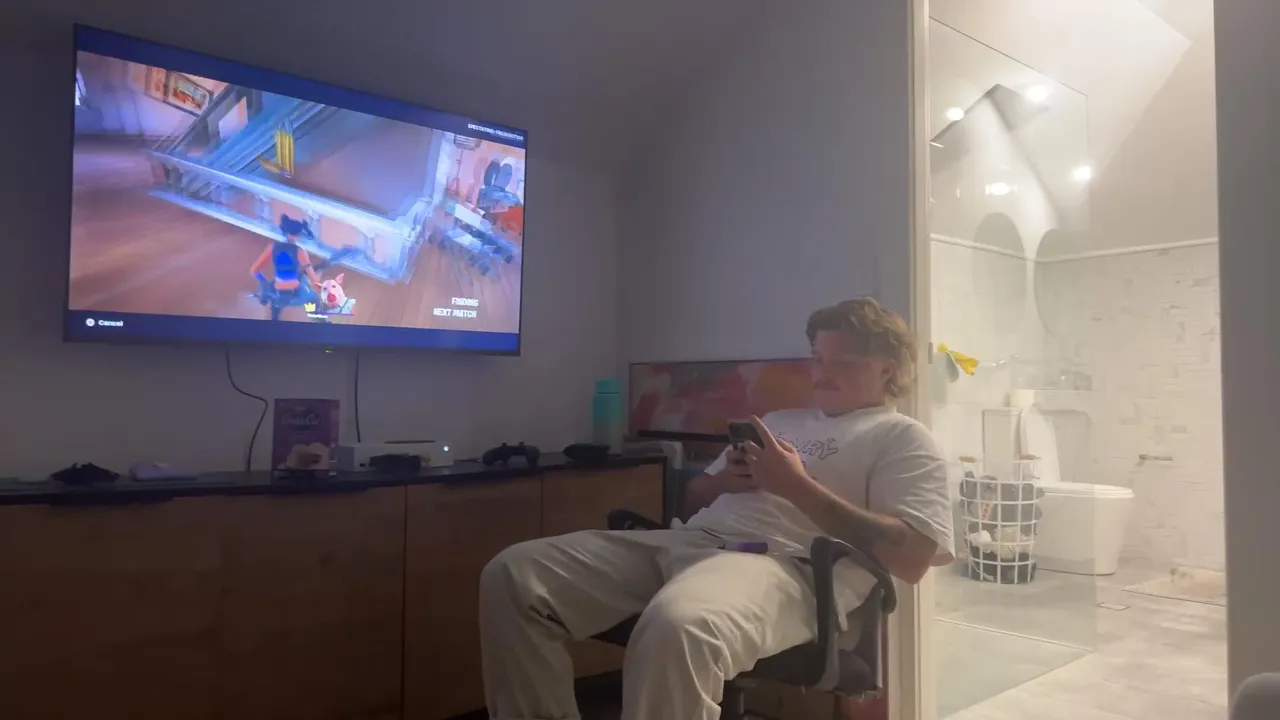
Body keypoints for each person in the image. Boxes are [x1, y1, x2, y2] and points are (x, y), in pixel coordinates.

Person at [479, 298, 954, 720]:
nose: (821, 373)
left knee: (681, 624)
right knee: (515, 575)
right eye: (817, 358)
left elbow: (912, 557)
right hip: (688, 541)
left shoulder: (903, 438)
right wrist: (724, 481)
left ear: (887, 369)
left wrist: (795, 486)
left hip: (782, 564)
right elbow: (693, 499)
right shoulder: (778, 421)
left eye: (842, 362)